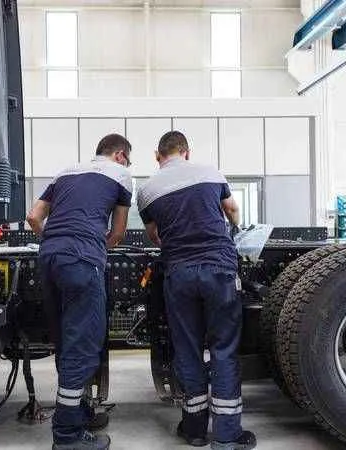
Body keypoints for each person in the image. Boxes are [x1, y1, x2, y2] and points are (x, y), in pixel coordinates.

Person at [136, 131, 256, 450]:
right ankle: (228, 435)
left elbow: (153, 235)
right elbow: (231, 209)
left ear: (157, 155)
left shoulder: (146, 190)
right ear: (186, 151)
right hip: (219, 269)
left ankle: (194, 429)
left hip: (179, 273)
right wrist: (233, 230)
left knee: (186, 349)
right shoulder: (209, 171)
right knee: (223, 349)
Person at [26, 134, 133, 450]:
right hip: (82, 260)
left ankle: (80, 410)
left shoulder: (65, 172)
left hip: (49, 256)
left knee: (65, 340)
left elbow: (33, 217)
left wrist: (58, 239)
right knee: (84, 344)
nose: (128, 164)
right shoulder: (121, 174)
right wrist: (93, 248)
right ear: (119, 155)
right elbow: (118, 232)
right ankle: (67, 436)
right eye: (128, 158)